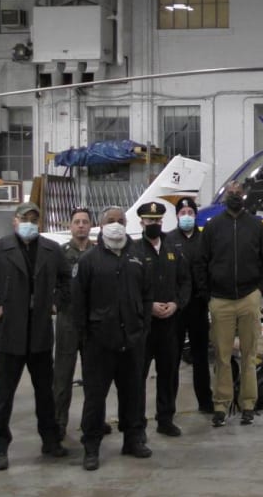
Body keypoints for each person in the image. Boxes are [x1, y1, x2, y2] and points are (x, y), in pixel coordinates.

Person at [0, 202, 71, 471]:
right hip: (9, 334)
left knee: (45, 393)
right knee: (3, 395)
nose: (29, 222)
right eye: (24, 218)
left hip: (39, 333)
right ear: (15, 221)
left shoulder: (52, 250)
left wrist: (56, 303)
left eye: (34, 219)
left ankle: (50, 441)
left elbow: (66, 280)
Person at [72, 206, 151, 471]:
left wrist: (142, 329)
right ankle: (91, 447)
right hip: (99, 343)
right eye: (110, 221)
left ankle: (134, 439)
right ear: (101, 225)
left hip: (132, 340)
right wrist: (86, 338)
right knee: (95, 398)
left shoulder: (138, 257)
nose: (115, 224)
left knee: (133, 394)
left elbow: (147, 295)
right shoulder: (89, 260)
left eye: (120, 221)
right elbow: (78, 303)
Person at [195, 181, 263, 427]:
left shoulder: (255, 225)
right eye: (231, 193)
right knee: (222, 356)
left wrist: (261, 289)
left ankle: (249, 404)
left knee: (250, 355)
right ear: (225, 195)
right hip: (220, 301)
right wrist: (207, 293)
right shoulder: (213, 227)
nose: (235, 196)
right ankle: (221, 405)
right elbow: (201, 262)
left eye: (239, 193)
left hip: (249, 298)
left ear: (244, 196)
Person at [137, 202, 190, 438]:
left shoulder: (173, 250)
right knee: (137, 376)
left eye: (157, 221)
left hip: (169, 324)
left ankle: (165, 419)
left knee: (168, 374)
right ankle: (136, 423)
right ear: (142, 223)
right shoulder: (134, 252)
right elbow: (128, 289)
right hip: (143, 326)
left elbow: (185, 281)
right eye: (150, 221)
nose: (154, 225)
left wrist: (177, 303)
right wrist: (148, 307)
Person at [166, 197, 213, 414]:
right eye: (183, 212)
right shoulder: (168, 240)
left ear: (195, 215)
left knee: (200, 356)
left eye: (190, 212)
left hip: (198, 305)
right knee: (172, 357)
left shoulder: (204, 240)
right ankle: (168, 406)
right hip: (176, 308)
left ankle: (205, 401)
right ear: (177, 216)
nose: (186, 216)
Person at [52, 206, 95, 441]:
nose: (81, 225)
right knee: (62, 375)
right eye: (77, 221)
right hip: (68, 320)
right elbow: (49, 281)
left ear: (90, 226)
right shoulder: (59, 253)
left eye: (85, 222)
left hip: (91, 322)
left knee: (93, 376)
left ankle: (93, 420)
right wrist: (54, 303)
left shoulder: (98, 252)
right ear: (70, 226)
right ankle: (59, 423)